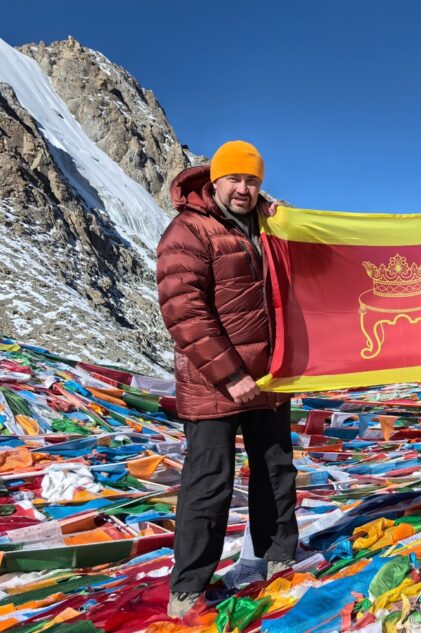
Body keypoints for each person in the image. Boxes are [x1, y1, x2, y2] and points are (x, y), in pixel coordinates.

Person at [156, 140, 298, 618]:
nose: (243, 188)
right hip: (213, 384)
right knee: (209, 482)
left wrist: (285, 220)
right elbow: (184, 312)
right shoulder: (187, 231)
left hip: (270, 381)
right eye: (234, 179)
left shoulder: (271, 226)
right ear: (215, 181)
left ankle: (279, 559)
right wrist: (231, 374)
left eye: (252, 180)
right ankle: (188, 588)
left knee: (275, 472)